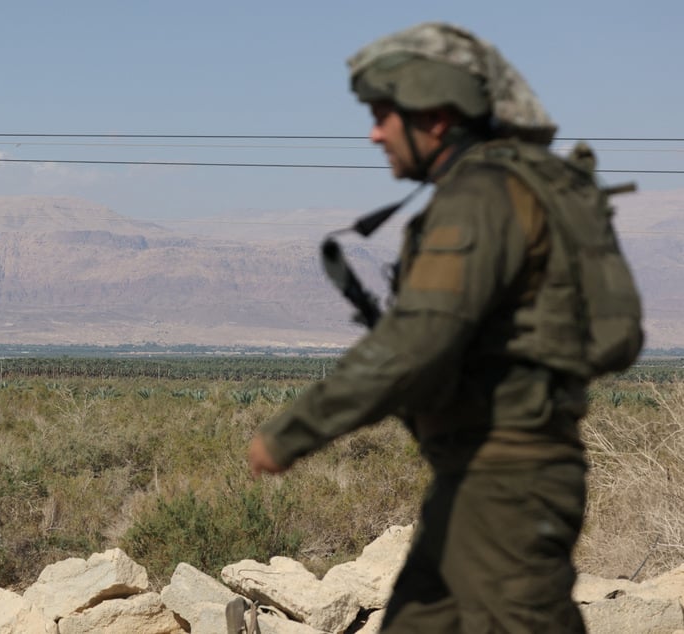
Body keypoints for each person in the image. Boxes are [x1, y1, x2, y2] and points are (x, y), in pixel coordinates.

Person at [248, 22, 642, 633]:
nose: (374, 132)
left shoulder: (481, 197)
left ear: (434, 116)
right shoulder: (493, 188)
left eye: (384, 114)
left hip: (507, 485)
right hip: (475, 477)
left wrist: (291, 433)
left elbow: (415, 340)